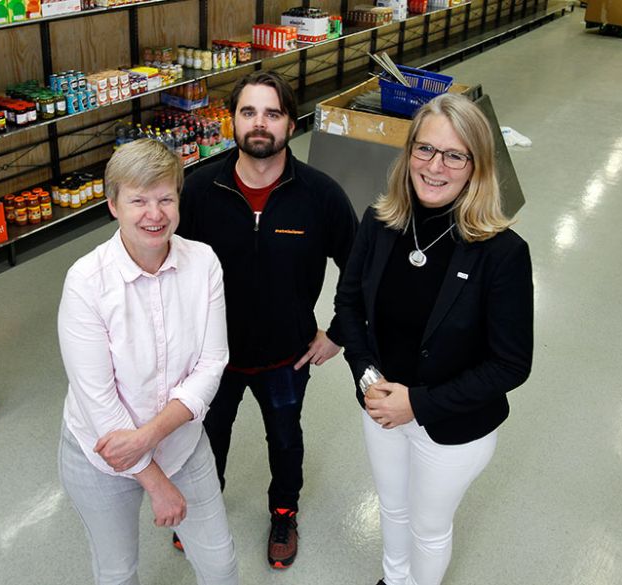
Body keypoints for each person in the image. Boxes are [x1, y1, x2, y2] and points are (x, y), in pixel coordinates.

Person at [333, 94, 533, 585]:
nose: (435, 166)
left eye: (454, 155)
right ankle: (393, 579)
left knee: (427, 525)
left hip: (452, 427)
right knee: (393, 507)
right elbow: (349, 305)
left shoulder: (503, 253)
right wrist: (367, 375)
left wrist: (418, 404)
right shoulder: (380, 223)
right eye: (424, 150)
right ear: (408, 155)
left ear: (477, 167)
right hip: (381, 405)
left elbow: (510, 365)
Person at [177, 70, 359, 569]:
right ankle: (201, 508)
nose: (260, 124)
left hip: (288, 355)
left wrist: (339, 332)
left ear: (291, 124)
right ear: (232, 121)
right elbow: (168, 268)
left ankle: (284, 512)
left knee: (284, 439)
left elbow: (360, 266)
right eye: (249, 112)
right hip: (212, 358)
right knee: (206, 438)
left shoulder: (320, 196)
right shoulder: (198, 191)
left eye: (272, 113)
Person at [57, 139, 238, 585]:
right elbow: (98, 401)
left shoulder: (204, 264)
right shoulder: (86, 282)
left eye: (165, 199)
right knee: (117, 572)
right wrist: (155, 482)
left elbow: (212, 364)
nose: (154, 214)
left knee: (221, 565)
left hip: (181, 444)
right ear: (113, 204)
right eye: (138, 200)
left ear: (179, 201)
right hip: (102, 457)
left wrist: (149, 438)